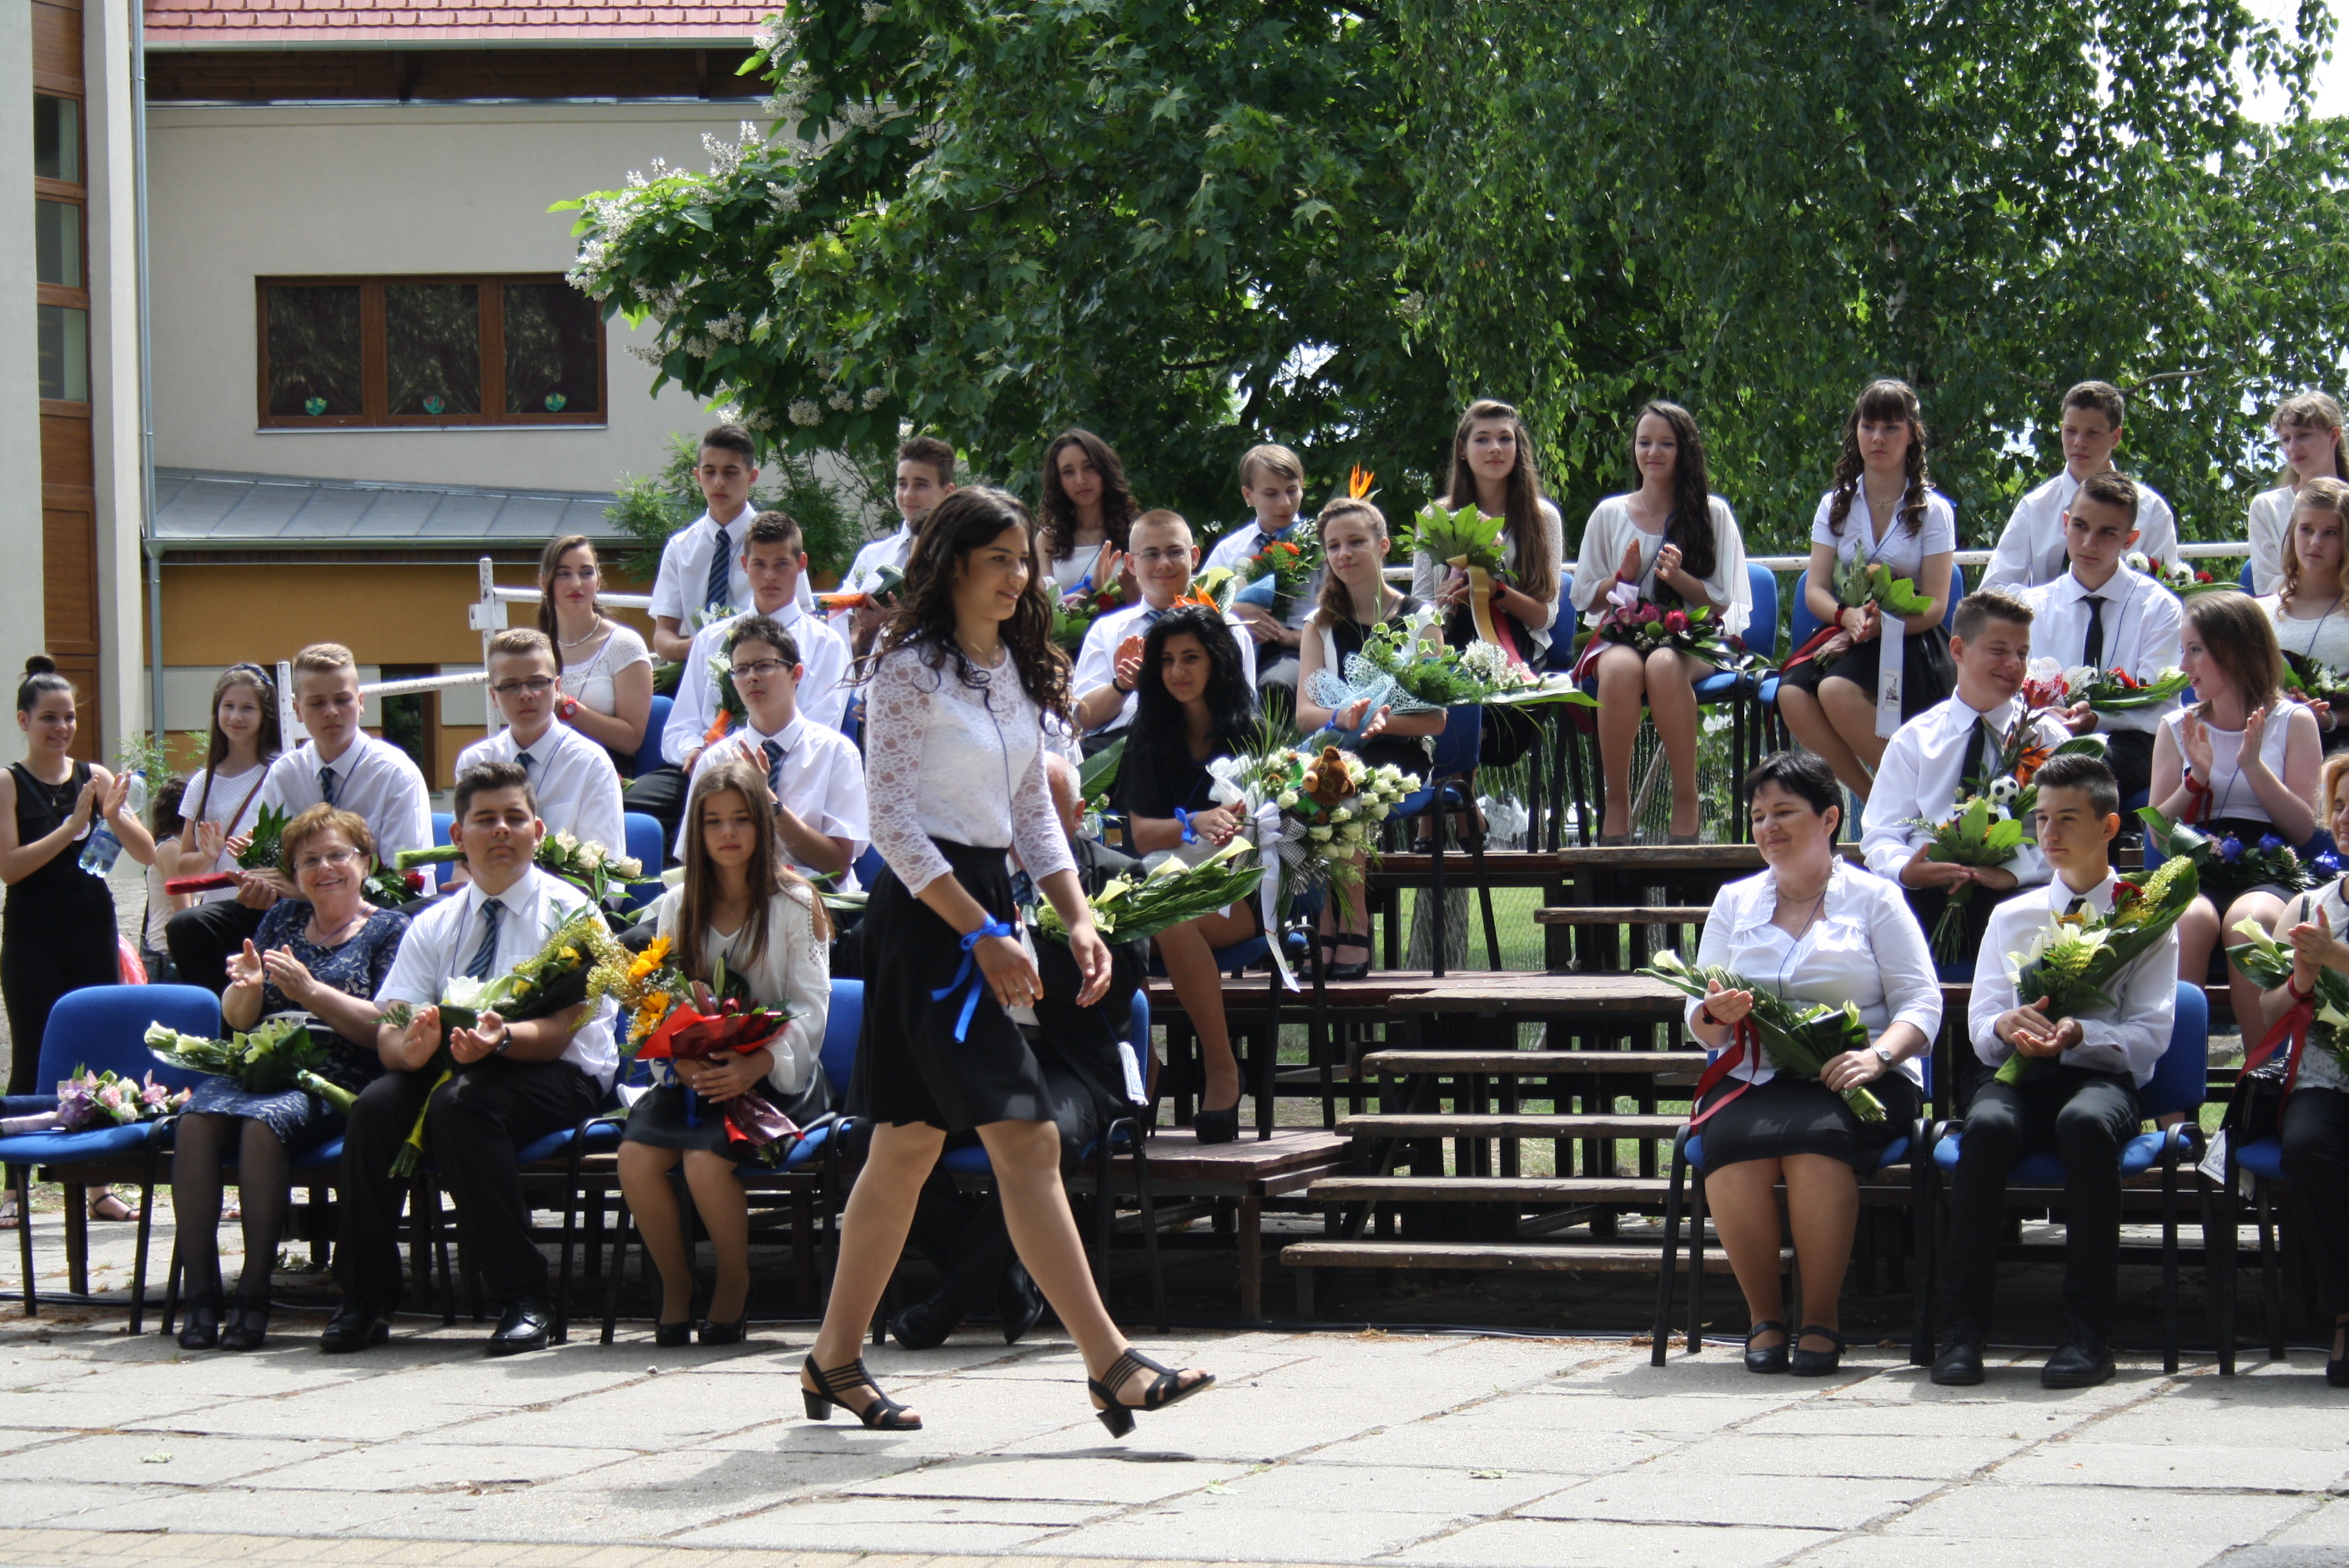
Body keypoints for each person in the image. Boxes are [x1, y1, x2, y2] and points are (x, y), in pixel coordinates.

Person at [812, 485, 1211, 1435]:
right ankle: (1109, 1363)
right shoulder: (905, 667)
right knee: (1026, 1138)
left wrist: (1076, 916)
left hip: (990, 900)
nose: (1017, 577)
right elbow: (890, 822)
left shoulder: (1025, 669)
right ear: (952, 563)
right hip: (928, 921)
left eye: (1023, 560)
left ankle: (831, 1360)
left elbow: (1033, 812)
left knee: (904, 1147)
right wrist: (978, 933)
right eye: (999, 559)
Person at [322, 761, 618, 1357]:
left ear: (538, 831)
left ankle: (525, 1297)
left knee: (462, 1107)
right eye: (485, 819)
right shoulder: (434, 922)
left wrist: (502, 1040)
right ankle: (365, 1298)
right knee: (376, 1107)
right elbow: (391, 1024)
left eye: (515, 818)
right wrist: (408, 1050)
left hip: (559, 1074)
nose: (501, 830)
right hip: (460, 1065)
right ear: (459, 836)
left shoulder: (574, 915)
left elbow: (562, 1029)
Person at [1688, 751, 1938, 1377]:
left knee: (1814, 1148)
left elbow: (1921, 1002)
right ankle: (1765, 1320)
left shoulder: (1876, 899)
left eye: (1784, 812)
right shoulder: (1734, 902)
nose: (1768, 827)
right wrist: (1716, 1012)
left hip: (1858, 1079)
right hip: (1758, 1076)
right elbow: (1698, 1016)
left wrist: (1878, 1056)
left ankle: (1821, 1321)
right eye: (1757, 816)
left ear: (1829, 818)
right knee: (1730, 1146)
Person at [1937, 753, 2177, 1389]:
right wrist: (2005, 1026)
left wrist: (2078, 1035)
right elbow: (1980, 1024)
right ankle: (1960, 1329)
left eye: (2067, 817)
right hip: (2015, 1075)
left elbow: (2150, 1035)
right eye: (2042, 818)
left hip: (2097, 1077)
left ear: (2109, 826)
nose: (2049, 832)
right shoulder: (2011, 915)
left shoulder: (2144, 918)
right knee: (1987, 1127)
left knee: (2087, 1124)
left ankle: (2088, 1333)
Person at [892, 751, 1140, 1349]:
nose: (1027, 824)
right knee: (884, 1136)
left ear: (1077, 815)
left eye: (1046, 811)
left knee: (1049, 1139)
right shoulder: (967, 879)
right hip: (976, 1054)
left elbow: (1122, 986)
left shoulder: (1114, 875)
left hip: (1067, 1060)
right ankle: (1004, 1278)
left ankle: (953, 1298)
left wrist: (1027, 952)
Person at [171, 805, 407, 1353]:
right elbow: (238, 1019)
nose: (324, 869)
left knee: (261, 1124)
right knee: (195, 1120)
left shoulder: (390, 929)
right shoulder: (280, 921)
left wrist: (310, 993)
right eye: (309, 861)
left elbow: (385, 1025)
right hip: (264, 1063)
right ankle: (201, 1292)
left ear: (365, 863)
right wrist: (249, 989)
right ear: (294, 873)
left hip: (339, 1072)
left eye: (336, 856)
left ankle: (255, 1293)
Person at [618, 753, 832, 1346]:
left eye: (741, 819)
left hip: (774, 1076)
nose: (728, 833)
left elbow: (812, 1008)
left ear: (761, 825)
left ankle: (734, 1285)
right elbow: (660, 999)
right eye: (713, 821)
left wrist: (756, 1063)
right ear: (697, 830)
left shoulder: (796, 903)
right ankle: (677, 1286)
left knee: (704, 1161)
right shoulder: (677, 903)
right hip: (697, 1074)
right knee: (635, 1157)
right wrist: (681, 1060)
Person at [165, 644, 434, 997]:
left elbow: (406, 882)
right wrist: (262, 884)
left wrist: (309, 889)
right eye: (317, 703)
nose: (331, 712)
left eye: (342, 700)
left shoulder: (395, 773)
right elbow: (277, 862)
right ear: (296, 710)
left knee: (418, 915)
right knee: (189, 926)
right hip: (297, 910)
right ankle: (233, 1023)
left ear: (361, 702)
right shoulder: (284, 773)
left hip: (376, 911)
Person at [1571, 400, 1750, 843]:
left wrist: (1679, 578)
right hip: (1624, 634)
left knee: (1664, 664)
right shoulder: (1609, 514)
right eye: (1644, 442)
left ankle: (1685, 800)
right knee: (1618, 668)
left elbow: (1719, 603)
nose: (1653, 452)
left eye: (1666, 444)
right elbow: (1585, 596)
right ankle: (1616, 805)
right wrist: (1623, 577)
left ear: (1684, 450)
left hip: (1694, 637)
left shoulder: (1712, 513)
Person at [1775, 379, 1959, 802]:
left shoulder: (1934, 511)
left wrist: (1886, 625)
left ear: (1912, 435)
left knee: (1835, 691)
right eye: (1868, 426)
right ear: (1855, 431)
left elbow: (1935, 604)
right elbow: (1815, 590)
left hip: (1909, 636)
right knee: (1792, 694)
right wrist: (1847, 616)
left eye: (1891, 428)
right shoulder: (1835, 504)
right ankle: (1877, 801)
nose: (1878, 438)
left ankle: (1922, 795)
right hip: (1850, 627)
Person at [1860, 591, 2066, 962]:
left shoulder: (2047, 740)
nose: (2013, 664)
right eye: (1998, 650)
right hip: (1926, 894)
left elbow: (2074, 836)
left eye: (2022, 654)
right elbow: (1881, 833)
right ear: (1958, 649)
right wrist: (1908, 869)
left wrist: (2017, 872)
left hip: (2017, 895)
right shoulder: (1916, 739)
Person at [1120, 605, 1260, 1140]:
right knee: (1119, 921)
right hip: (1163, 881)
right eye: (1167, 660)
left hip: (1242, 888)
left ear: (1216, 661)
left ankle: (1222, 1068)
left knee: (1169, 918)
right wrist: (1191, 822)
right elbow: (1140, 835)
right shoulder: (1148, 736)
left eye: (1190, 658)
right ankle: (1146, 1063)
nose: (1177, 671)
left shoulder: (1254, 733)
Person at [634, 512, 853, 847]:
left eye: (781, 564)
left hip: (785, 772)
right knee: (629, 808)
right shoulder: (711, 638)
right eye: (759, 564)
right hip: (706, 769)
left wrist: (746, 761)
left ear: (801, 564)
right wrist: (695, 750)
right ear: (744, 564)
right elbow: (679, 728)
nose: (770, 576)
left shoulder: (826, 644)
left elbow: (820, 728)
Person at [2155, 591, 2322, 1030]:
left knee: (2248, 921)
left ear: (2232, 650)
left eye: (2195, 650)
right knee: (2190, 919)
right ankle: (2175, 1070)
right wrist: (2196, 780)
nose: (2184, 666)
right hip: (2194, 865)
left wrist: (2253, 766)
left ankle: (2260, 1069)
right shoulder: (2175, 726)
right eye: (2183, 651)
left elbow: (2305, 829)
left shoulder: (2294, 721)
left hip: (2269, 864)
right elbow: (2156, 831)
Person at [1295, 495, 1445, 975]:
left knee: (1344, 785)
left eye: (1356, 542)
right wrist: (1342, 718)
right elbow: (1304, 715)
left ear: (1382, 547)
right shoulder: (1319, 624)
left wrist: (1382, 720)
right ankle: (1324, 917)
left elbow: (1435, 721)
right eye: (1334, 546)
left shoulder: (1422, 619)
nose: (1344, 554)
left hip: (1401, 750)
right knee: (1310, 782)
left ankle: (1353, 918)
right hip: (1337, 745)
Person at [0, 656, 153, 1097]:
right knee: (34, 1056)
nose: (61, 727)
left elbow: (146, 852)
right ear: (24, 720)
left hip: (92, 925)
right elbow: (9, 868)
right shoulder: (9, 783)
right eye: (49, 718)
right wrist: (69, 829)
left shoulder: (94, 776)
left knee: (95, 1049)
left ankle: (93, 1140)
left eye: (69, 717)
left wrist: (114, 816)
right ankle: (24, 1142)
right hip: (32, 934)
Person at [2251, 751, 2349, 1385]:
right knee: (2309, 1146)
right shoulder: (2309, 904)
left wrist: (2337, 958)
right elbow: (2266, 1011)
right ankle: (2345, 1313)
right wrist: (2301, 981)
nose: (2344, 818)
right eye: (2339, 806)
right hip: (2325, 1077)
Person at [2026, 470, 2184, 803]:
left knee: (2079, 779)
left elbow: (2160, 704)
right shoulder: (2032, 606)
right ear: (2065, 523)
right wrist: (2042, 716)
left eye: (2107, 533)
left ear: (2130, 540)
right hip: (2042, 732)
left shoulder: (2159, 608)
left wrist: (2098, 719)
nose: (2088, 543)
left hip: (2128, 740)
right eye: (2080, 526)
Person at [673, 613, 868, 883]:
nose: (752, 677)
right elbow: (694, 858)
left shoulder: (836, 752)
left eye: (764, 666)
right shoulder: (717, 758)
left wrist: (767, 800)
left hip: (816, 894)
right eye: (741, 670)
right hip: (736, 894)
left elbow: (836, 867)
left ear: (796, 673)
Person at [1070, 510, 1256, 751]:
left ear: (1194, 556)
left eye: (1175, 551)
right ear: (1131, 564)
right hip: (1121, 747)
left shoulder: (1226, 627)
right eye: (1151, 554)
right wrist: (1122, 685)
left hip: (1201, 744)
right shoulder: (1107, 629)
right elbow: (1083, 719)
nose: (1164, 563)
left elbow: (1243, 710)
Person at [1979, 381, 2180, 593]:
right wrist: (2042, 602)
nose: (2078, 442)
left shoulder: (2151, 510)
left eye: (2092, 433)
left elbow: (2169, 593)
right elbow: (1993, 589)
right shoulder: (2034, 507)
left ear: (2115, 437)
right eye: (2070, 431)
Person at [455, 629, 626, 858]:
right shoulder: (475, 761)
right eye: (511, 686)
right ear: (494, 696)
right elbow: (465, 862)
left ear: (557, 688)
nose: (525, 694)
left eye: (537, 683)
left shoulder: (591, 763)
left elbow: (603, 867)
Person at [1206, 444, 1315, 698]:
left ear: (1302, 486)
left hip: (1298, 650)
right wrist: (1233, 611)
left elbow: (1341, 617)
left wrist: (1289, 637)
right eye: (1271, 494)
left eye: (1292, 490)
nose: (1285, 503)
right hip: (1235, 647)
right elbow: (1198, 605)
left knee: (1274, 685)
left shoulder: (1321, 545)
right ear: (1248, 495)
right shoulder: (1230, 550)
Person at [169, 665, 283, 907]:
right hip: (218, 911)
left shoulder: (283, 772)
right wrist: (207, 855)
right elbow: (184, 867)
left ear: (265, 714)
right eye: (228, 706)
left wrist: (259, 854)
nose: (236, 717)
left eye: (248, 708)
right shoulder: (201, 784)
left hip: (267, 909)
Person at [648, 424, 761, 664]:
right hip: (698, 669)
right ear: (698, 476)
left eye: (730, 472)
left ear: (752, 477)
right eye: (709, 472)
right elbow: (663, 634)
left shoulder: (776, 541)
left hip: (764, 668)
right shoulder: (680, 548)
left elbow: (801, 618)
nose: (718, 482)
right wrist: (700, 646)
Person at [539, 535, 654, 766]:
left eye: (586, 573)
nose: (576, 584)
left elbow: (631, 739)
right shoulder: (537, 648)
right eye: (564, 574)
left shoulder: (624, 644)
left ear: (598, 581)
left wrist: (566, 706)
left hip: (607, 768)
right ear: (544, 583)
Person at [838, 436, 958, 660]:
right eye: (902, 483)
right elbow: (846, 642)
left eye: (921, 484)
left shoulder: (962, 557)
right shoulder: (872, 556)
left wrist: (899, 622)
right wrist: (867, 635)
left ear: (948, 492)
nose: (908, 494)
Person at [2257, 478, 2349, 753]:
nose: (2315, 543)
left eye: (2330, 533)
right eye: (2306, 529)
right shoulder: (2259, 612)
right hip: (2264, 746)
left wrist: (2328, 718)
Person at [2247, 392, 2349, 596]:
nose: (2293, 447)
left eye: (2304, 435)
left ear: (2333, 436)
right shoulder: (2267, 507)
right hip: (2288, 610)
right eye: (2286, 439)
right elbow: (2268, 584)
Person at [1038, 429, 1139, 596]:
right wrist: (1092, 587)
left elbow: (1150, 603)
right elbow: (1045, 605)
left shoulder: (1134, 534)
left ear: (1105, 470)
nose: (1080, 480)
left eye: (1088, 467)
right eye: (1068, 472)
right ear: (1058, 481)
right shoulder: (1048, 539)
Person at [141, 776, 192, 984]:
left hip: (165, 949)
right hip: (167, 953)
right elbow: (183, 910)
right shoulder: (172, 848)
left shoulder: (170, 845)